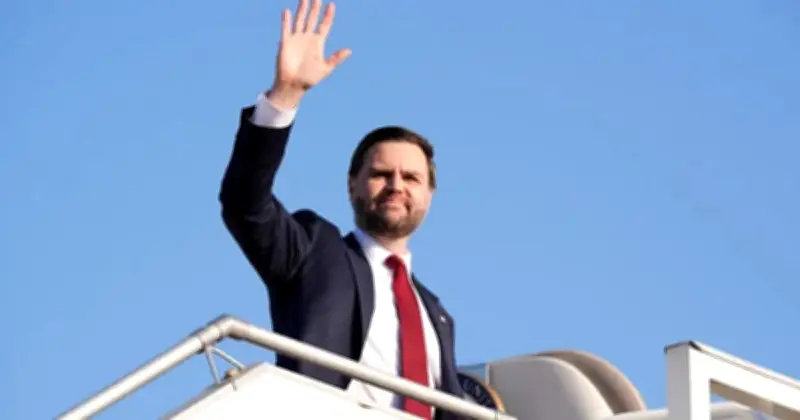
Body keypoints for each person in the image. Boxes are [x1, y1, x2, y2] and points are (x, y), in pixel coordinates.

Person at [218, 0, 464, 418]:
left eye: (411, 178)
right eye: (381, 174)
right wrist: (285, 96)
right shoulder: (314, 251)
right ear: (352, 184)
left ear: (429, 195)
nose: (396, 186)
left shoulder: (437, 314)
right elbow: (245, 204)